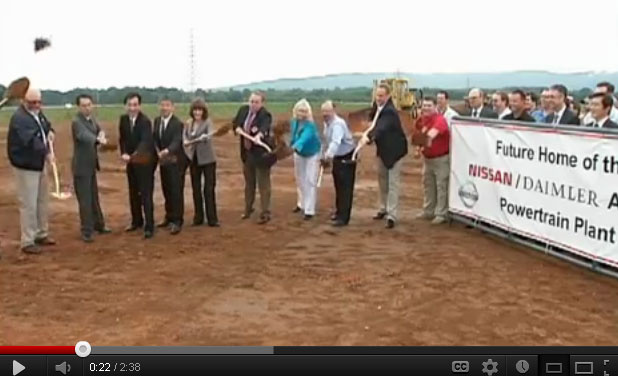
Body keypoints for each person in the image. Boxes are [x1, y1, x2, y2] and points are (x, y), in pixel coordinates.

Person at [7, 87, 56, 254]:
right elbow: (31, 141)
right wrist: (47, 153)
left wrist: (51, 132)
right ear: (23, 101)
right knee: (28, 203)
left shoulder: (38, 114)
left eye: (38, 102)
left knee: (42, 200)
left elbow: (46, 127)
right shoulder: (19, 118)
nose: (36, 105)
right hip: (26, 166)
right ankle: (27, 240)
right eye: (32, 102)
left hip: (38, 163)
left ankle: (41, 233)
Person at [360, 84, 408, 229]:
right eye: (377, 95)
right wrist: (371, 136)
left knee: (392, 183)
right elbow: (374, 126)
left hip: (395, 152)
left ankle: (391, 215)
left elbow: (381, 128)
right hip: (383, 151)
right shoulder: (377, 108)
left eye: (381, 96)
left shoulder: (389, 112)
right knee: (382, 181)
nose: (379, 98)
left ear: (388, 96)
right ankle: (383, 208)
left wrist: (369, 138)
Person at [71, 94, 111, 243]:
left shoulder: (92, 119)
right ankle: (86, 231)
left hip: (91, 165)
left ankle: (99, 225)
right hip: (81, 167)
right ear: (79, 107)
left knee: (94, 197)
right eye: (84, 105)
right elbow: (84, 136)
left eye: (89, 105)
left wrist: (101, 134)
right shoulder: (76, 122)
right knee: (85, 200)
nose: (87, 108)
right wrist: (98, 139)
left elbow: (99, 130)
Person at [118, 92, 157, 239]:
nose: (132, 108)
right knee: (133, 191)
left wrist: (132, 155)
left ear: (139, 105)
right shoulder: (123, 120)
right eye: (129, 105)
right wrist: (123, 153)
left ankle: (149, 226)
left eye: (135, 105)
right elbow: (122, 139)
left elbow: (145, 142)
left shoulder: (145, 121)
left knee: (146, 193)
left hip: (145, 162)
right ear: (125, 106)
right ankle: (136, 221)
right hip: (131, 162)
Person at [232, 92, 273, 224]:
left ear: (262, 103)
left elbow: (264, 126)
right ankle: (248, 209)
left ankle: (265, 212)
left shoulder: (265, 114)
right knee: (249, 183)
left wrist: (259, 135)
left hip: (261, 154)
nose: (253, 104)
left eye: (256, 102)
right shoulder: (243, 110)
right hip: (246, 153)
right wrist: (237, 128)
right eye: (251, 101)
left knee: (263, 184)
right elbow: (235, 122)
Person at [183, 98, 219, 227]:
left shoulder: (207, 122)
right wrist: (186, 142)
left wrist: (205, 136)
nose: (197, 112)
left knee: (208, 189)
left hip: (208, 160)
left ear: (204, 111)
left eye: (200, 110)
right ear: (192, 111)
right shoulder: (188, 123)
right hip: (194, 160)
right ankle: (198, 217)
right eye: (195, 110)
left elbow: (210, 133)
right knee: (196, 189)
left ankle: (212, 219)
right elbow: (185, 138)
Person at [414, 97, 450, 225]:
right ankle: (428, 210)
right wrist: (418, 148)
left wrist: (421, 143)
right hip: (428, 159)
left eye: (429, 105)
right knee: (428, 185)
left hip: (441, 159)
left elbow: (431, 135)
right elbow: (418, 135)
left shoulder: (440, 120)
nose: (426, 108)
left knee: (441, 186)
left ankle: (441, 213)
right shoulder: (421, 120)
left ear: (435, 107)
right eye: (424, 105)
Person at [321, 101, 356, 227]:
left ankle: (344, 217)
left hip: (346, 156)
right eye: (323, 111)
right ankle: (339, 211)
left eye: (328, 111)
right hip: (337, 156)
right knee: (338, 185)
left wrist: (327, 157)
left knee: (345, 187)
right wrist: (323, 155)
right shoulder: (327, 124)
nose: (325, 114)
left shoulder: (337, 124)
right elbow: (326, 142)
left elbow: (336, 142)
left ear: (333, 111)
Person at [153, 97, 184, 235]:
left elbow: (177, 141)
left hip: (175, 161)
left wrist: (167, 151)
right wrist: (156, 150)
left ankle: (177, 221)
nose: (164, 108)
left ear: (172, 107)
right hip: (163, 162)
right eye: (162, 105)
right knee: (166, 189)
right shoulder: (157, 121)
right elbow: (154, 138)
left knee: (175, 191)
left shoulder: (178, 123)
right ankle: (169, 216)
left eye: (167, 105)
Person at [290, 99, 321, 220]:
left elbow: (304, 138)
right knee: (300, 179)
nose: (302, 113)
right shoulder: (294, 122)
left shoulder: (310, 125)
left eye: (304, 111)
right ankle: (301, 203)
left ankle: (309, 209)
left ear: (308, 112)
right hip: (299, 153)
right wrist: (291, 145)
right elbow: (293, 137)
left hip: (312, 153)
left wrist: (294, 146)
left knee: (310, 180)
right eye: (300, 110)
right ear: (295, 111)